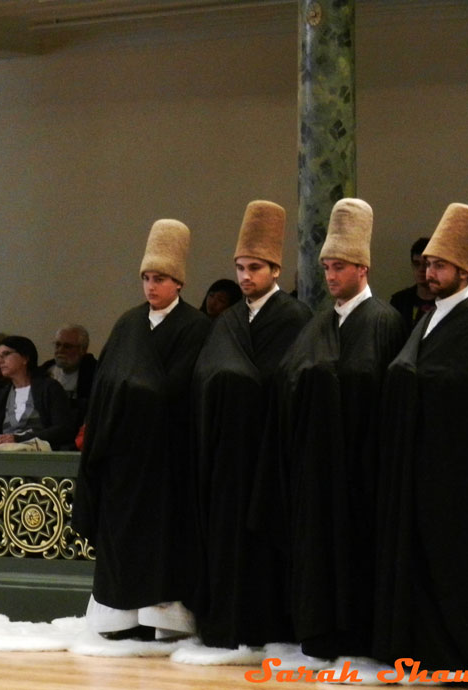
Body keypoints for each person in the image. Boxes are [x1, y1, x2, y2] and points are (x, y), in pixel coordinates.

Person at [276, 199, 405, 660]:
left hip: (361, 471)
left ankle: (360, 637)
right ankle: (320, 633)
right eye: (326, 266)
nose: (330, 276)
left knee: (357, 557)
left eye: (339, 267)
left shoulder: (386, 322)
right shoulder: (318, 324)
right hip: (317, 471)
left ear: (362, 268)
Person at [73, 219, 210, 641]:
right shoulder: (128, 324)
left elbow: (182, 388)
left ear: (178, 283)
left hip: (166, 459)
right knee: (121, 542)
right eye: (147, 278)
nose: (152, 287)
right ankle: (119, 617)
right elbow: (105, 383)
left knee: (163, 540)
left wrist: (136, 391)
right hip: (122, 458)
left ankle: (162, 620)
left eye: (161, 279)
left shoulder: (196, 327)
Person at [373, 203, 468, 677]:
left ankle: (463, 653)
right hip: (418, 464)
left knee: (452, 561)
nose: (429, 272)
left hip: (455, 467)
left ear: (463, 270)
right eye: (426, 264)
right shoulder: (430, 317)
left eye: (439, 265)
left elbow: (462, 385)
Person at [191, 200, 311, 649]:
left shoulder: (295, 318)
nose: (245, 276)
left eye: (255, 267)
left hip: (268, 454)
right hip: (227, 457)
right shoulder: (230, 320)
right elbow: (205, 374)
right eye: (240, 267)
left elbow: (290, 381)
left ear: (275, 270)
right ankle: (225, 626)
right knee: (226, 545)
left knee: (265, 549)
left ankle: (268, 628)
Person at [0, 335, 75, 450]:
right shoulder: (2, 395)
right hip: (6, 455)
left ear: (25, 358)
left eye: (6, 354)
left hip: (41, 457)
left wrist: (19, 439)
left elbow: (63, 429)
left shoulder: (49, 388)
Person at [39, 324, 98, 432]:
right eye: (57, 345)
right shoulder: (44, 372)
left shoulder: (95, 373)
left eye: (67, 346)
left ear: (83, 350)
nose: (60, 350)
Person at [389, 236, 434, 332]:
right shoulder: (399, 301)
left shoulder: (446, 302)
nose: (421, 270)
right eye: (417, 264)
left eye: (426, 264)